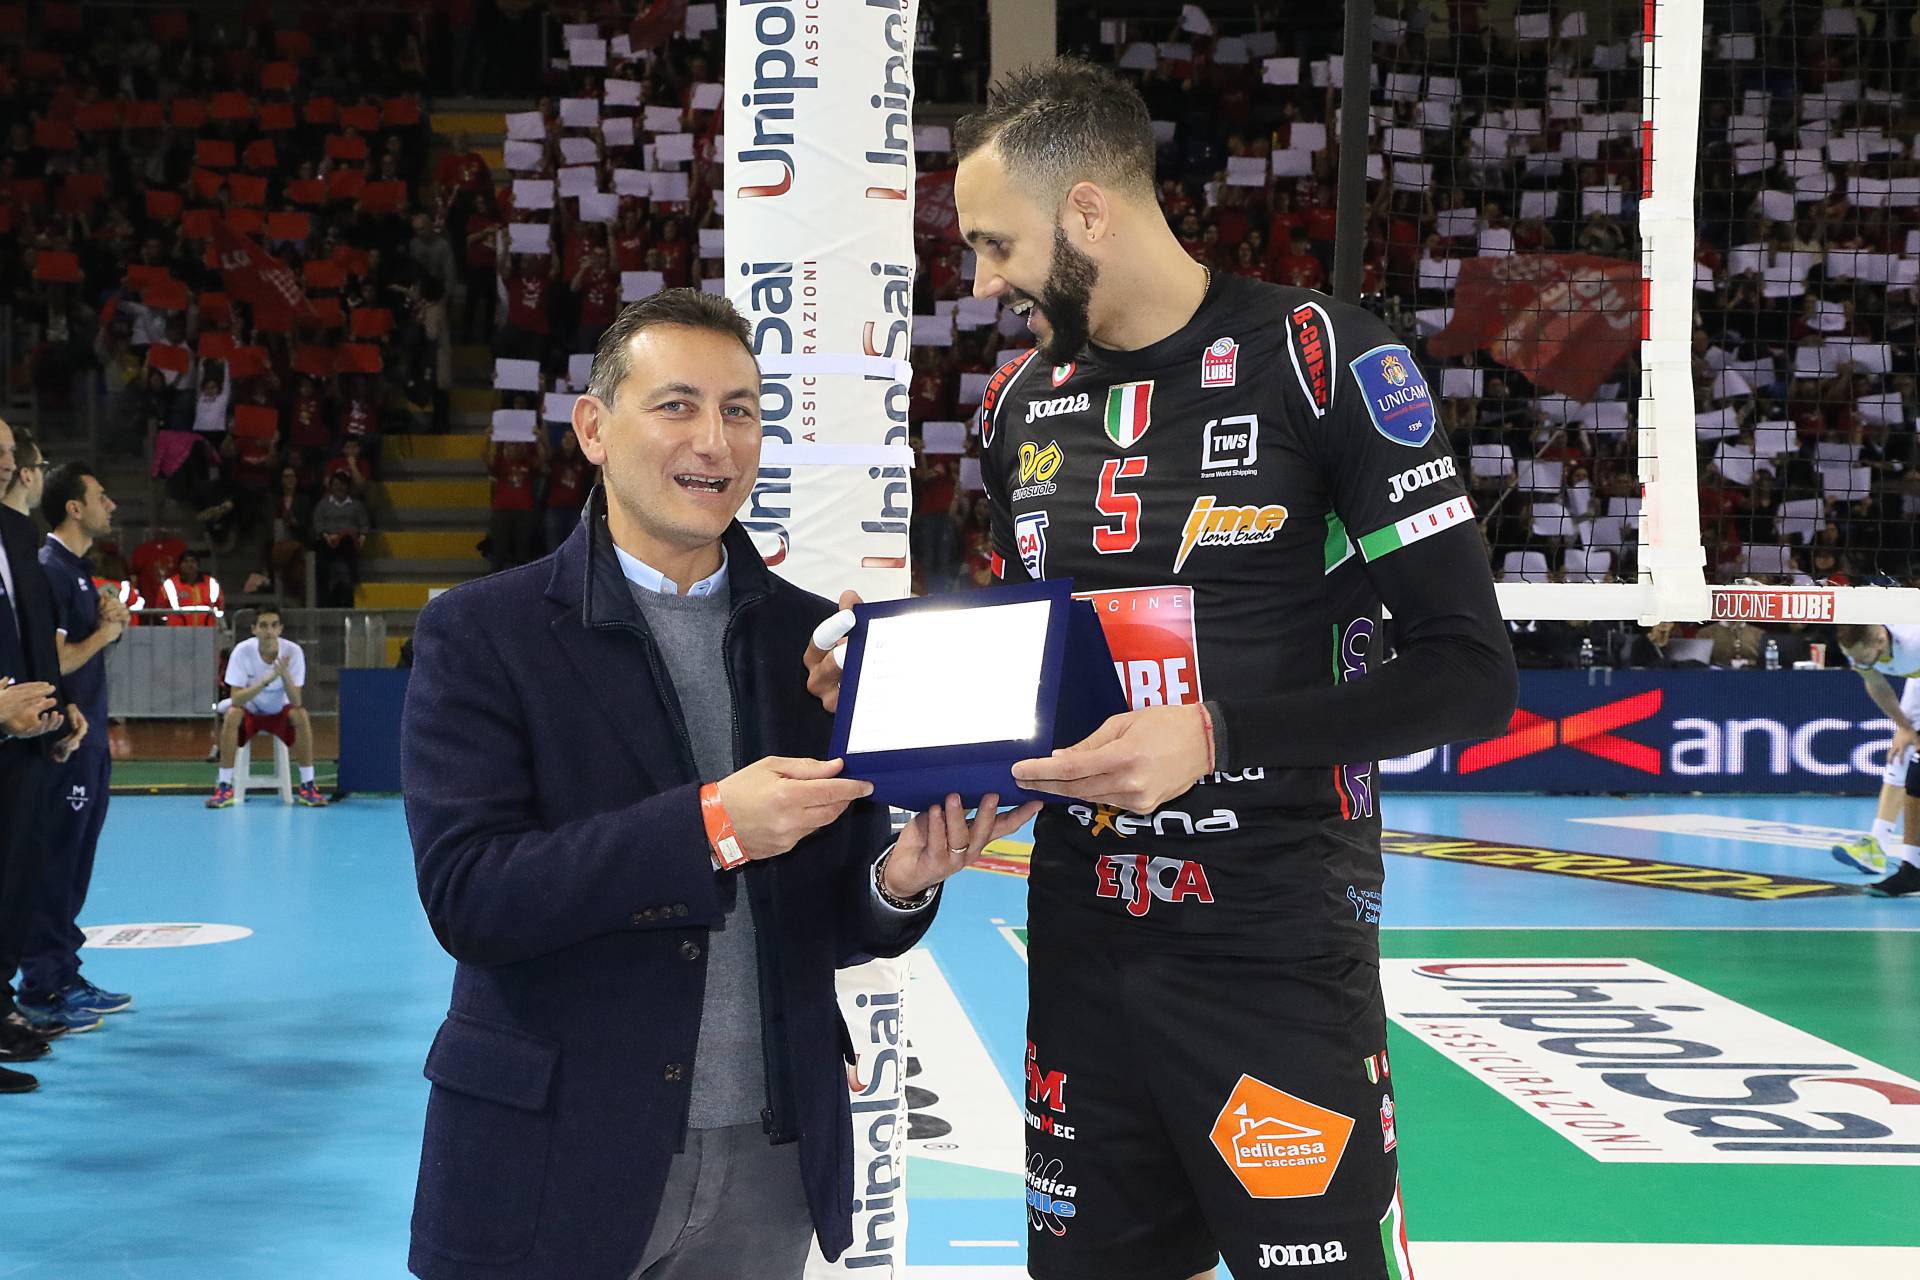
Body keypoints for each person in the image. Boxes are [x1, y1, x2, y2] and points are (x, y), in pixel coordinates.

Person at [805, 60, 1516, 1280]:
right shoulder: (1016, 407)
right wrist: (896, 681)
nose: (980, 284)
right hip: (1081, 943)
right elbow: (1046, 665)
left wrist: (1216, 734)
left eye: (996, 244)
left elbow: (1470, 675)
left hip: (1276, 947)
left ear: (1086, 211)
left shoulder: (1322, 358)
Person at [400, 290, 1035, 1279]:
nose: (715, 440)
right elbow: (472, 896)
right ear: (594, 428)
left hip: (767, 1160)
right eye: (677, 405)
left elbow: (826, 913)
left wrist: (897, 880)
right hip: (556, 1155)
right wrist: (710, 827)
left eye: (741, 410)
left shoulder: (812, 641)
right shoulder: (483, 632)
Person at [19, 463, 133, 1033]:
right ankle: (42, 985)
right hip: (65, 742)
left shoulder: (79, 573)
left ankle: (64, 972)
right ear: (74, 507)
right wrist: (105, 633)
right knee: (56, 862)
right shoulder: (51, 569)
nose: (110, 505)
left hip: (91, 738)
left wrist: (107, 623)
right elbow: (55, 661)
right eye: (101, 496)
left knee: (76, 861)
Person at [0, 417, 89, 1092]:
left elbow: (29, 637)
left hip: (20, 742)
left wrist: (57, 708)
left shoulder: (13, 535)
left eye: (9, 453)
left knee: (14, 879)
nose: (8, 465)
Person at [206, 606, 327, 808]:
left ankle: (308, 785)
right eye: (263, 626)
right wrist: (266, 681)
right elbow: (236, 699)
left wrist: (284, 675)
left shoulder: (293, 652)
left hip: (280, 710)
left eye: (273, 625)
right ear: (254, 629)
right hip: (251, 709)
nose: (269, 631)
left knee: (301, 714)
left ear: (280, 629)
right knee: (232, 714)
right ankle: (224, 786)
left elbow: (296, 700)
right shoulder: (242, 652)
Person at [1833, 624, 1920, 891]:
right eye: (1851, 657)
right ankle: (1878, 846)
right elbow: (1875, 683)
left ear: (1880, 642)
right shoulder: (1864, 644)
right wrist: (1904, 727)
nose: (1856, 662)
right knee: (1903, 752)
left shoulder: (1915, 643)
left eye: (1861, 657)